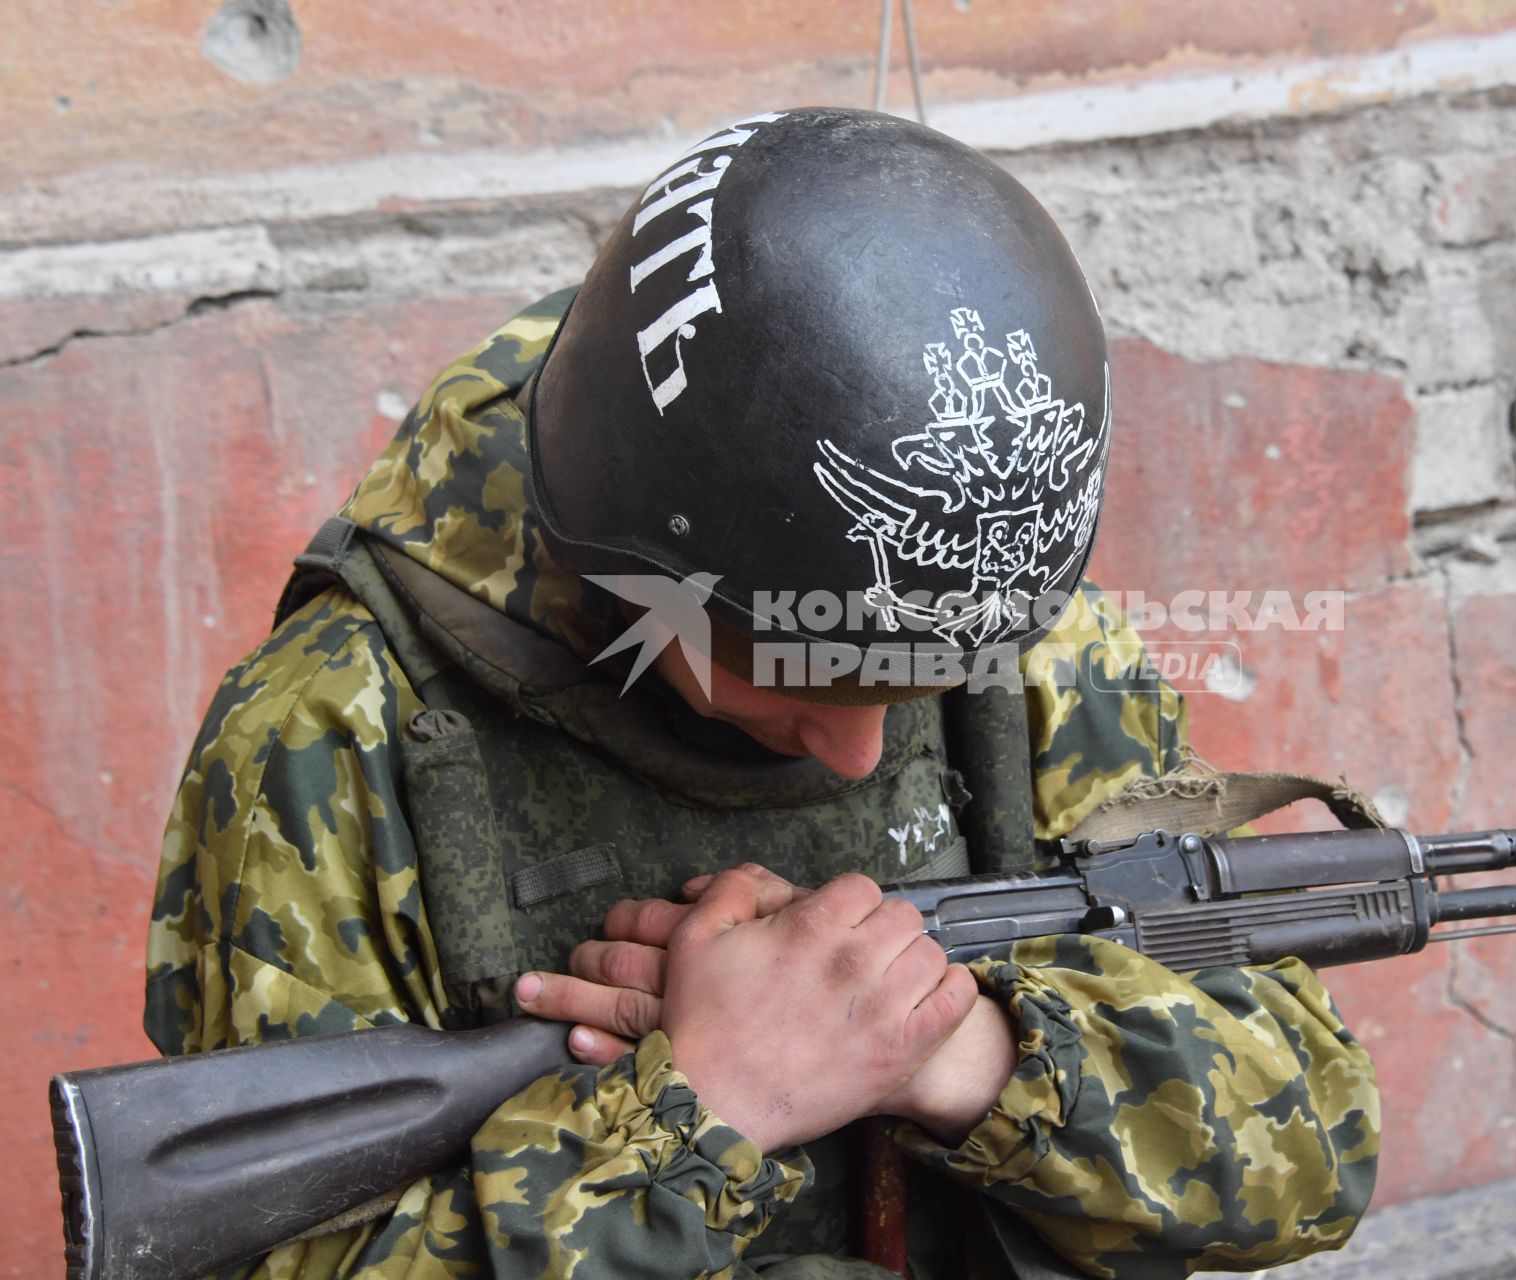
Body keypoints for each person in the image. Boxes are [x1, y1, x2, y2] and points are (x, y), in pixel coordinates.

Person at [144, 107, 1378, 1279]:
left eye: (914, 684)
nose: (857, 750)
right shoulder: (323, 738)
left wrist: (955, 1044)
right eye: (799, 672)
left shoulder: (991, 624)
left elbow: (1316, 1143)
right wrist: (705, 1108)